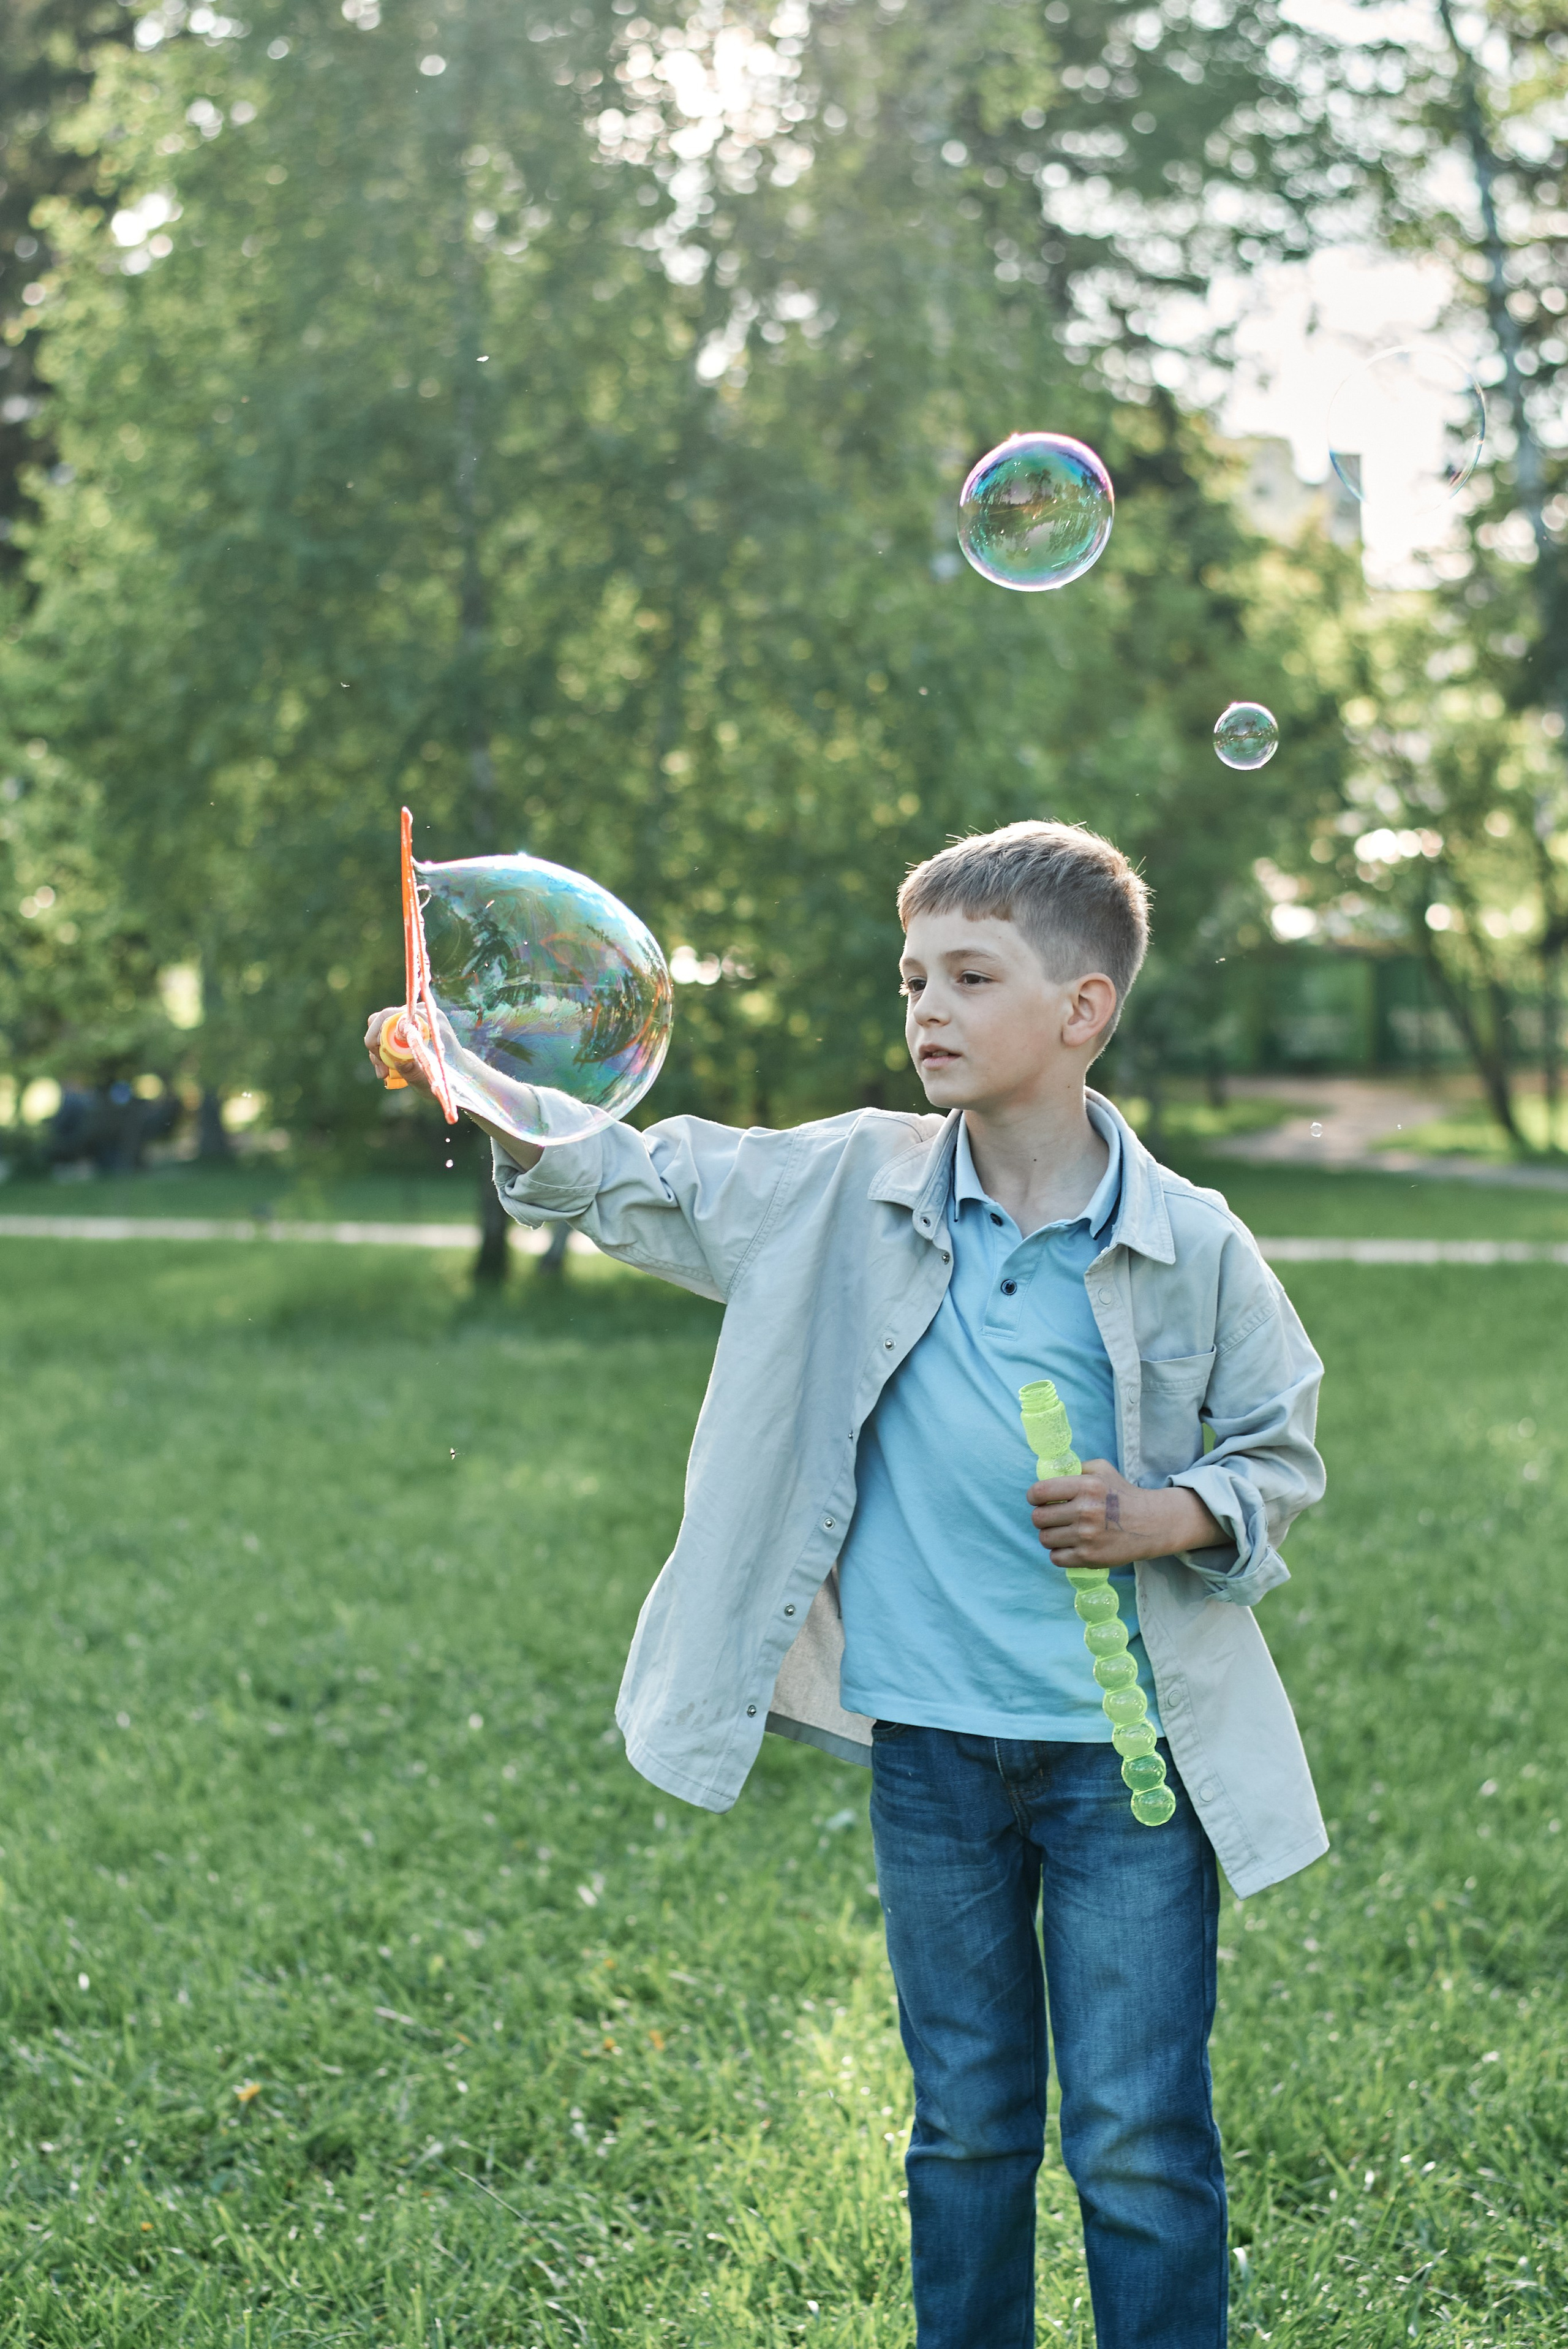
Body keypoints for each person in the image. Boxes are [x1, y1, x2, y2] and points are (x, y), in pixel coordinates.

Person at [363, 819, 1326, 2349]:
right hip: (931, 1753)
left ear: (1082, 1011)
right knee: (963, 2128)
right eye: (910, 978)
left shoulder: (1188, 1242)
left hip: (1128, 1772)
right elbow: (636, 1176)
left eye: (967, 975)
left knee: (1138, 2137)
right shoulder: (839, 1185)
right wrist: (478, 1078)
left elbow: (1279, 1454)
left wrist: (1171, 1514)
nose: (924, 1008)